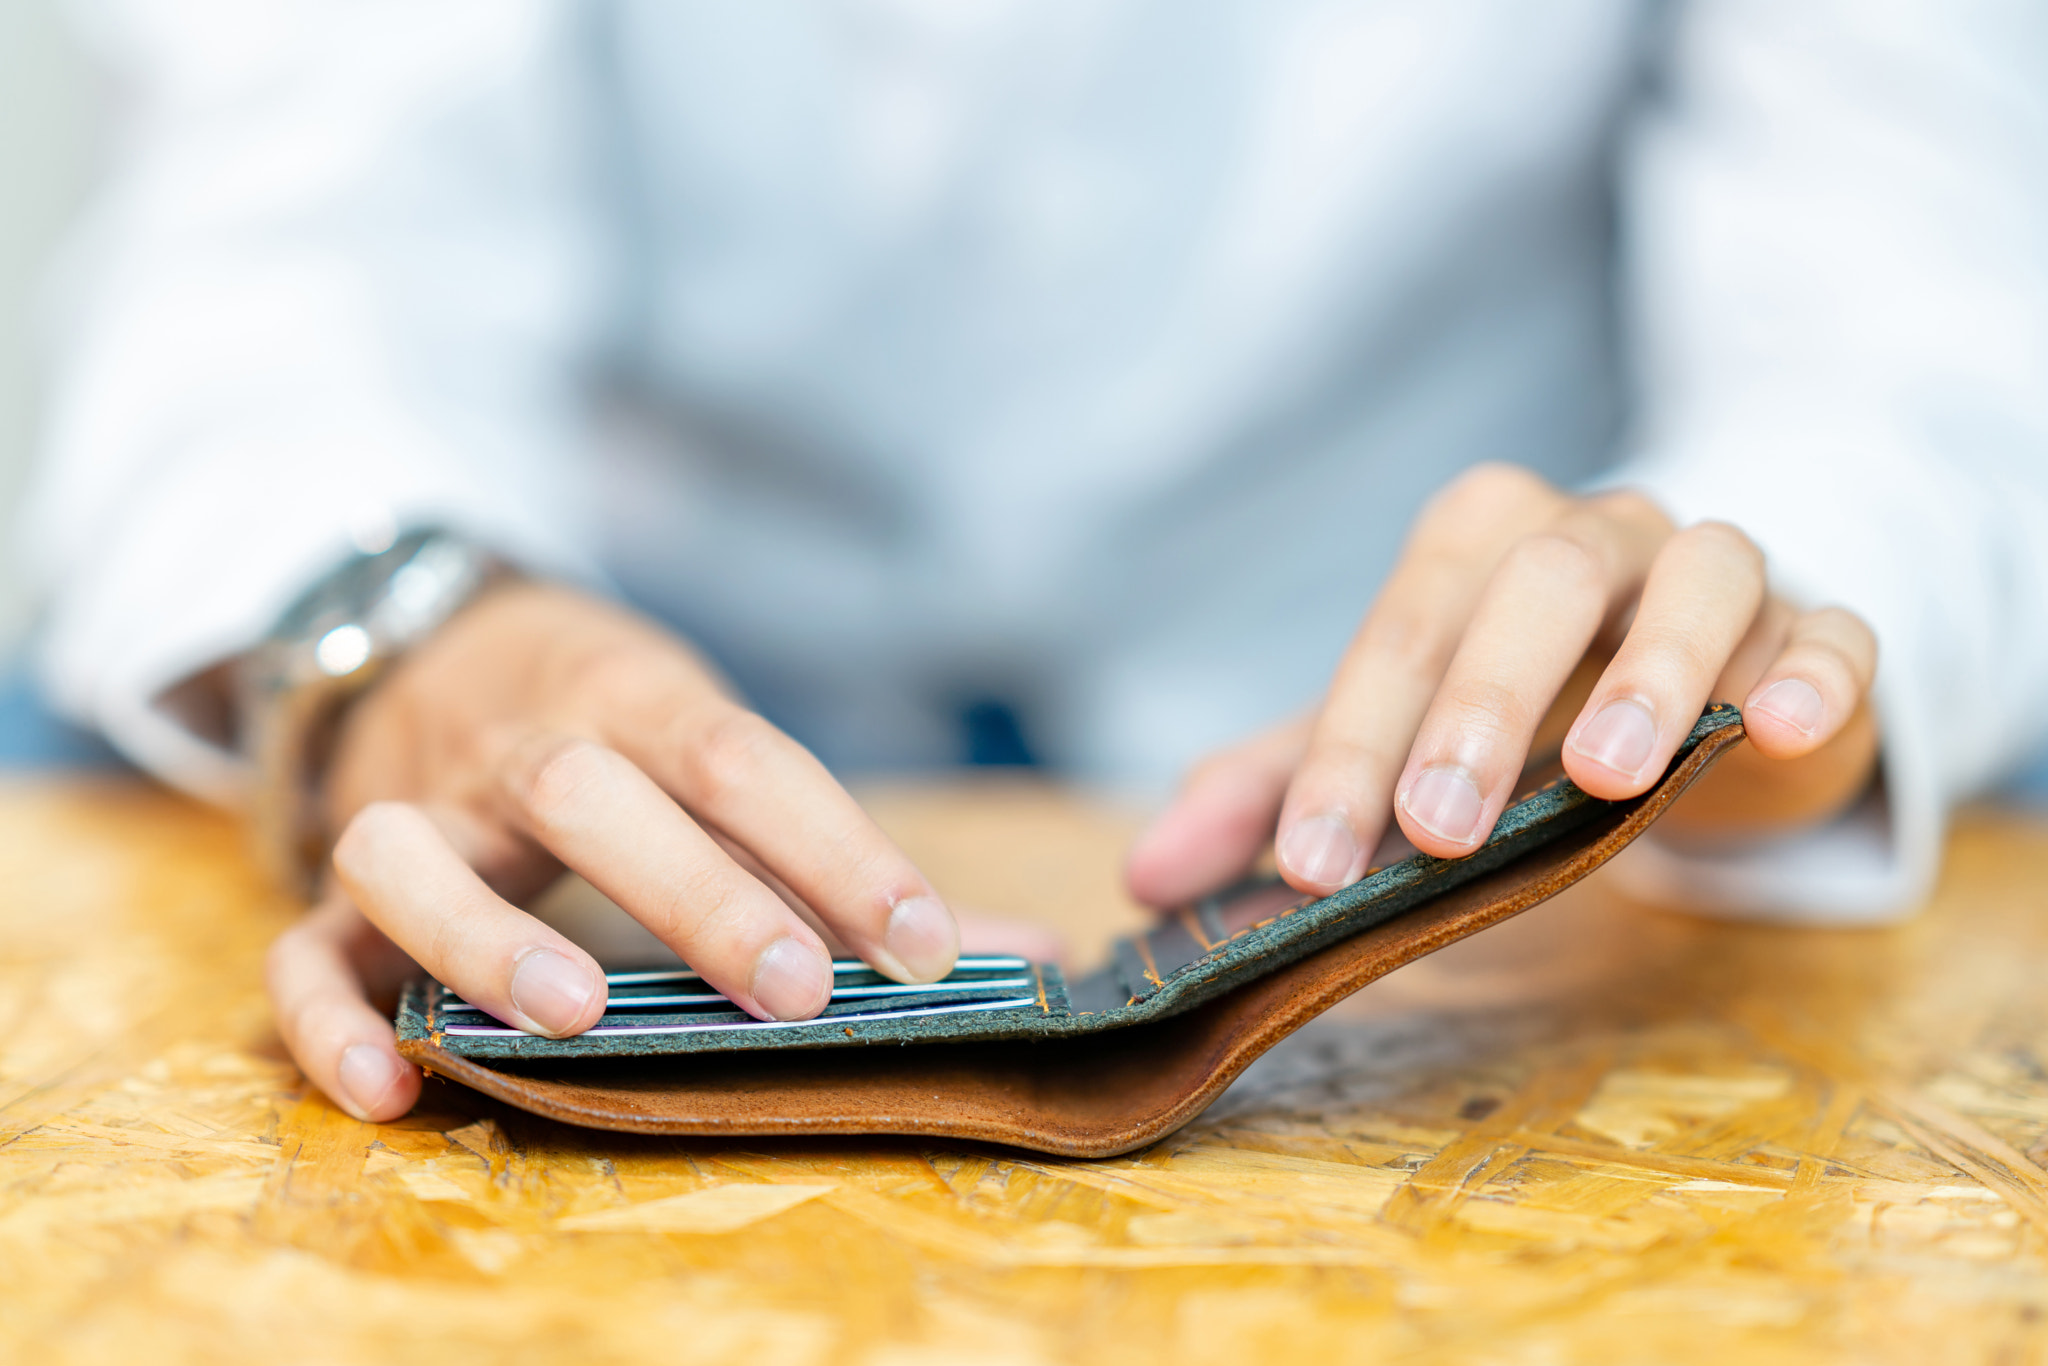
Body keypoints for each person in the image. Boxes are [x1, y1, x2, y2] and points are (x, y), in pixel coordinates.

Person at [22, 1, 2048, 1123]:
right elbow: (284, 247)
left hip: (1406, 773)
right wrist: (411, 642)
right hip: (620, 724)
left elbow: (1912, 319)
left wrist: (1751, 641)